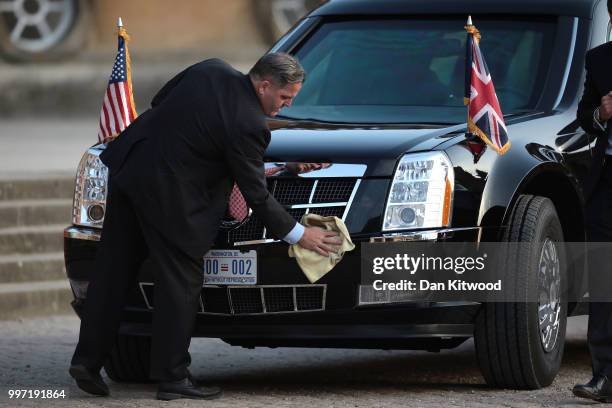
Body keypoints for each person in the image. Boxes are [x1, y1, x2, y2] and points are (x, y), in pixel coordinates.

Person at [68, 53, 342, 401]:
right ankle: (172, 378)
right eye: (285, 97)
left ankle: (86, 363)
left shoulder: (209, 69)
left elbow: (162, 102)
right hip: (170, 197)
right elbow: (256, 194)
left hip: (129, 173)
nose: (286, 105)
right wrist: (301, 235)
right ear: (264, 85)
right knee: (180, 282)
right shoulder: (249, 124)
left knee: (113, 272)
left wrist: (283, 165)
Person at [573, 2, 612, 402]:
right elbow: (584, 116)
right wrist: (601, 113)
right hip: (606, 184)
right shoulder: (598, 58)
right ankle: (605, 378)